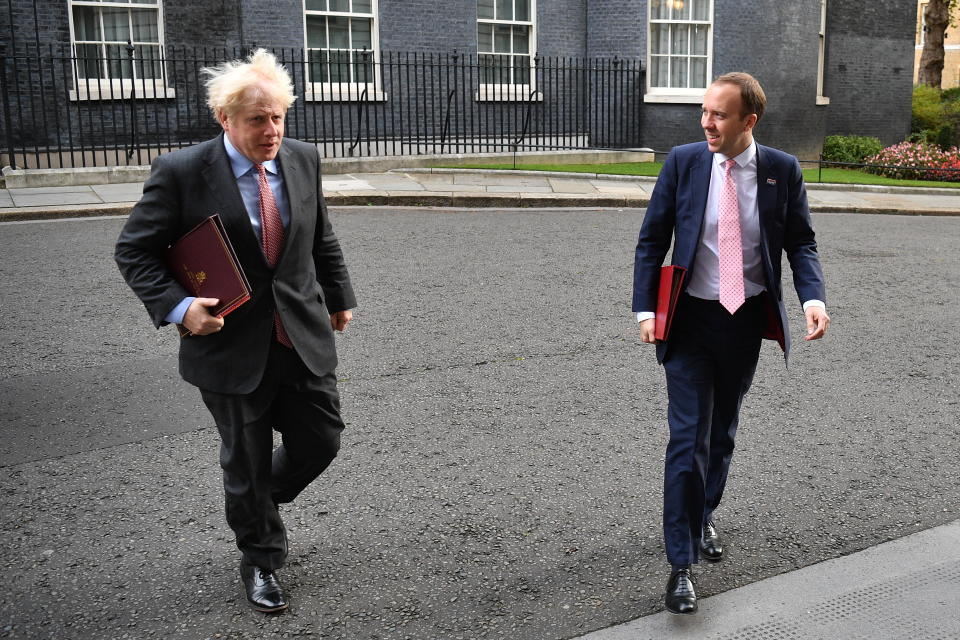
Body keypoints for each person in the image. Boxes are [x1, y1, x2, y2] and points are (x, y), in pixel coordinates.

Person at [115, 49, 356, 614]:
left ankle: (254, 506)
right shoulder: (180, 172)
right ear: (225, 119)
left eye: (277, 117)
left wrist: (339, 296)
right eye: (257, 120)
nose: (271, 131)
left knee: (321, 439)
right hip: (227, 343)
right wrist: (179, 308)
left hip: (298, 332)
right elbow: (134, 250)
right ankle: (262, 557)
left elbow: (321, 236)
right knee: (244, 459)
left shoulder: (302, 159)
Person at [631, 72, 829, 615]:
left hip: (743, 320)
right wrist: (646, 308)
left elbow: (800, 241)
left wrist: (812, 297)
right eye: (704, 111)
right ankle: (680, 563)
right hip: (690, 319)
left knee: (721, 433)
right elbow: (653, 237)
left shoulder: (781, 171)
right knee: (687, 436)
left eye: (719, 114)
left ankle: (703, 515)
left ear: (749, 120)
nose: (706, 122)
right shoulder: (685, 161)